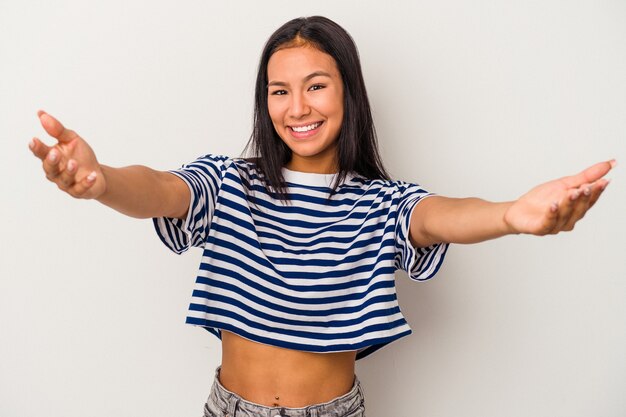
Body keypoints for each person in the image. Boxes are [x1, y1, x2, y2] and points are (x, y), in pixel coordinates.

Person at [29, 15, 613, 417]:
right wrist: (102, 181)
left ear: (348, 94)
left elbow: (440, 217)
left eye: (316, 86)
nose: (297, 106)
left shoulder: (379, 202)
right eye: (278, 91)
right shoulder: (231, 182)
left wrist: (513, 214)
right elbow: (159, 189)